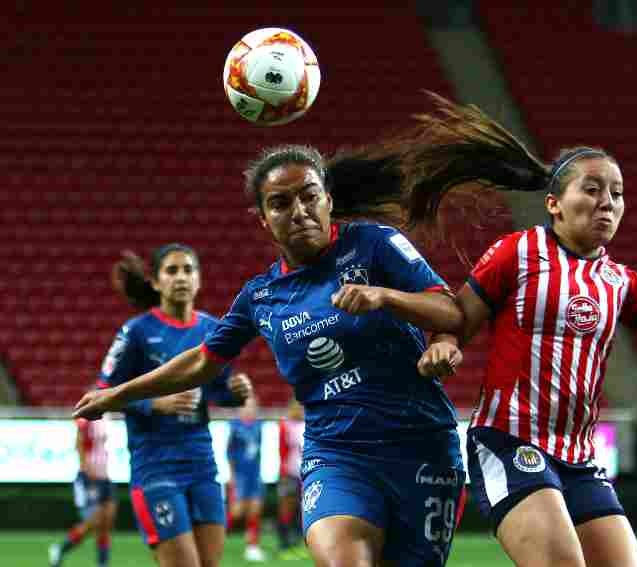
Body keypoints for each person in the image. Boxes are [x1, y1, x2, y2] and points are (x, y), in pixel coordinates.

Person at [405, 96, 637, 567]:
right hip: (509, 441)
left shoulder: (621, 281)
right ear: (554, 204)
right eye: (592, 188)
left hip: (579, 460)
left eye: (617, 192)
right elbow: (456, 319)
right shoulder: (516, 253)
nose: (607, 201)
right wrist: (442, 347)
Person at [74, 144, 467, 567]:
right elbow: (203, 360)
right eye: (281, 203)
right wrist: (120, 394)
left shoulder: (375, 245)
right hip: (336, 453)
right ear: (264, 220)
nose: (298, 211)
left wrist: (387, 299)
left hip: (421, 444)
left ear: (328, 201)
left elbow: (450, 310)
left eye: (309, 196)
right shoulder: (260, 297)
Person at [97, 245, 253, 567]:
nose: (181, 277)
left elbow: (217, 392)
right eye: (171, 271)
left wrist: (235, 393)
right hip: (156, 468)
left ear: (199, 280)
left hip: (202, 465)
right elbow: (104, 392)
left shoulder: (212, 330)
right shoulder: (136, 332)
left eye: (188, 270)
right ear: (156, 282)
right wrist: (154, 403)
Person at [49, 407, 116, 567]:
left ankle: (103, 563)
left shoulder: (106, 418)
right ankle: (61, 548)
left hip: (104, 476)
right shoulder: (88, 417)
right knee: (94, 521)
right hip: (90, 478)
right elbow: (78, 443)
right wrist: (86, 467)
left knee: (107, 521)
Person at [226, 393, 266, 562]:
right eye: (247, 405)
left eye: (253, 406)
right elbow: (229, 453)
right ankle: (218, 534)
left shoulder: (259, 426)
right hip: (240, 475)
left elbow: (259, 451)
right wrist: (232, 475)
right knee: (237, 512)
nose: (250, 409)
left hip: (255, 474)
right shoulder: (234, 426)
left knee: (255, 509)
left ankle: (252, 547)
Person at [277, 398, 306, 558]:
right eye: (296, 408)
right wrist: (283, 472)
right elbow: (282, 450)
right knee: (286, 508)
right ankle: (284, 545)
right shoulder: (285, 425)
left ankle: (297, 543)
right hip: (289, 472)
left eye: (301, 408)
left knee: (302, 509)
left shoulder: (307, 424)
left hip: (305, 473)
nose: (299, 411)